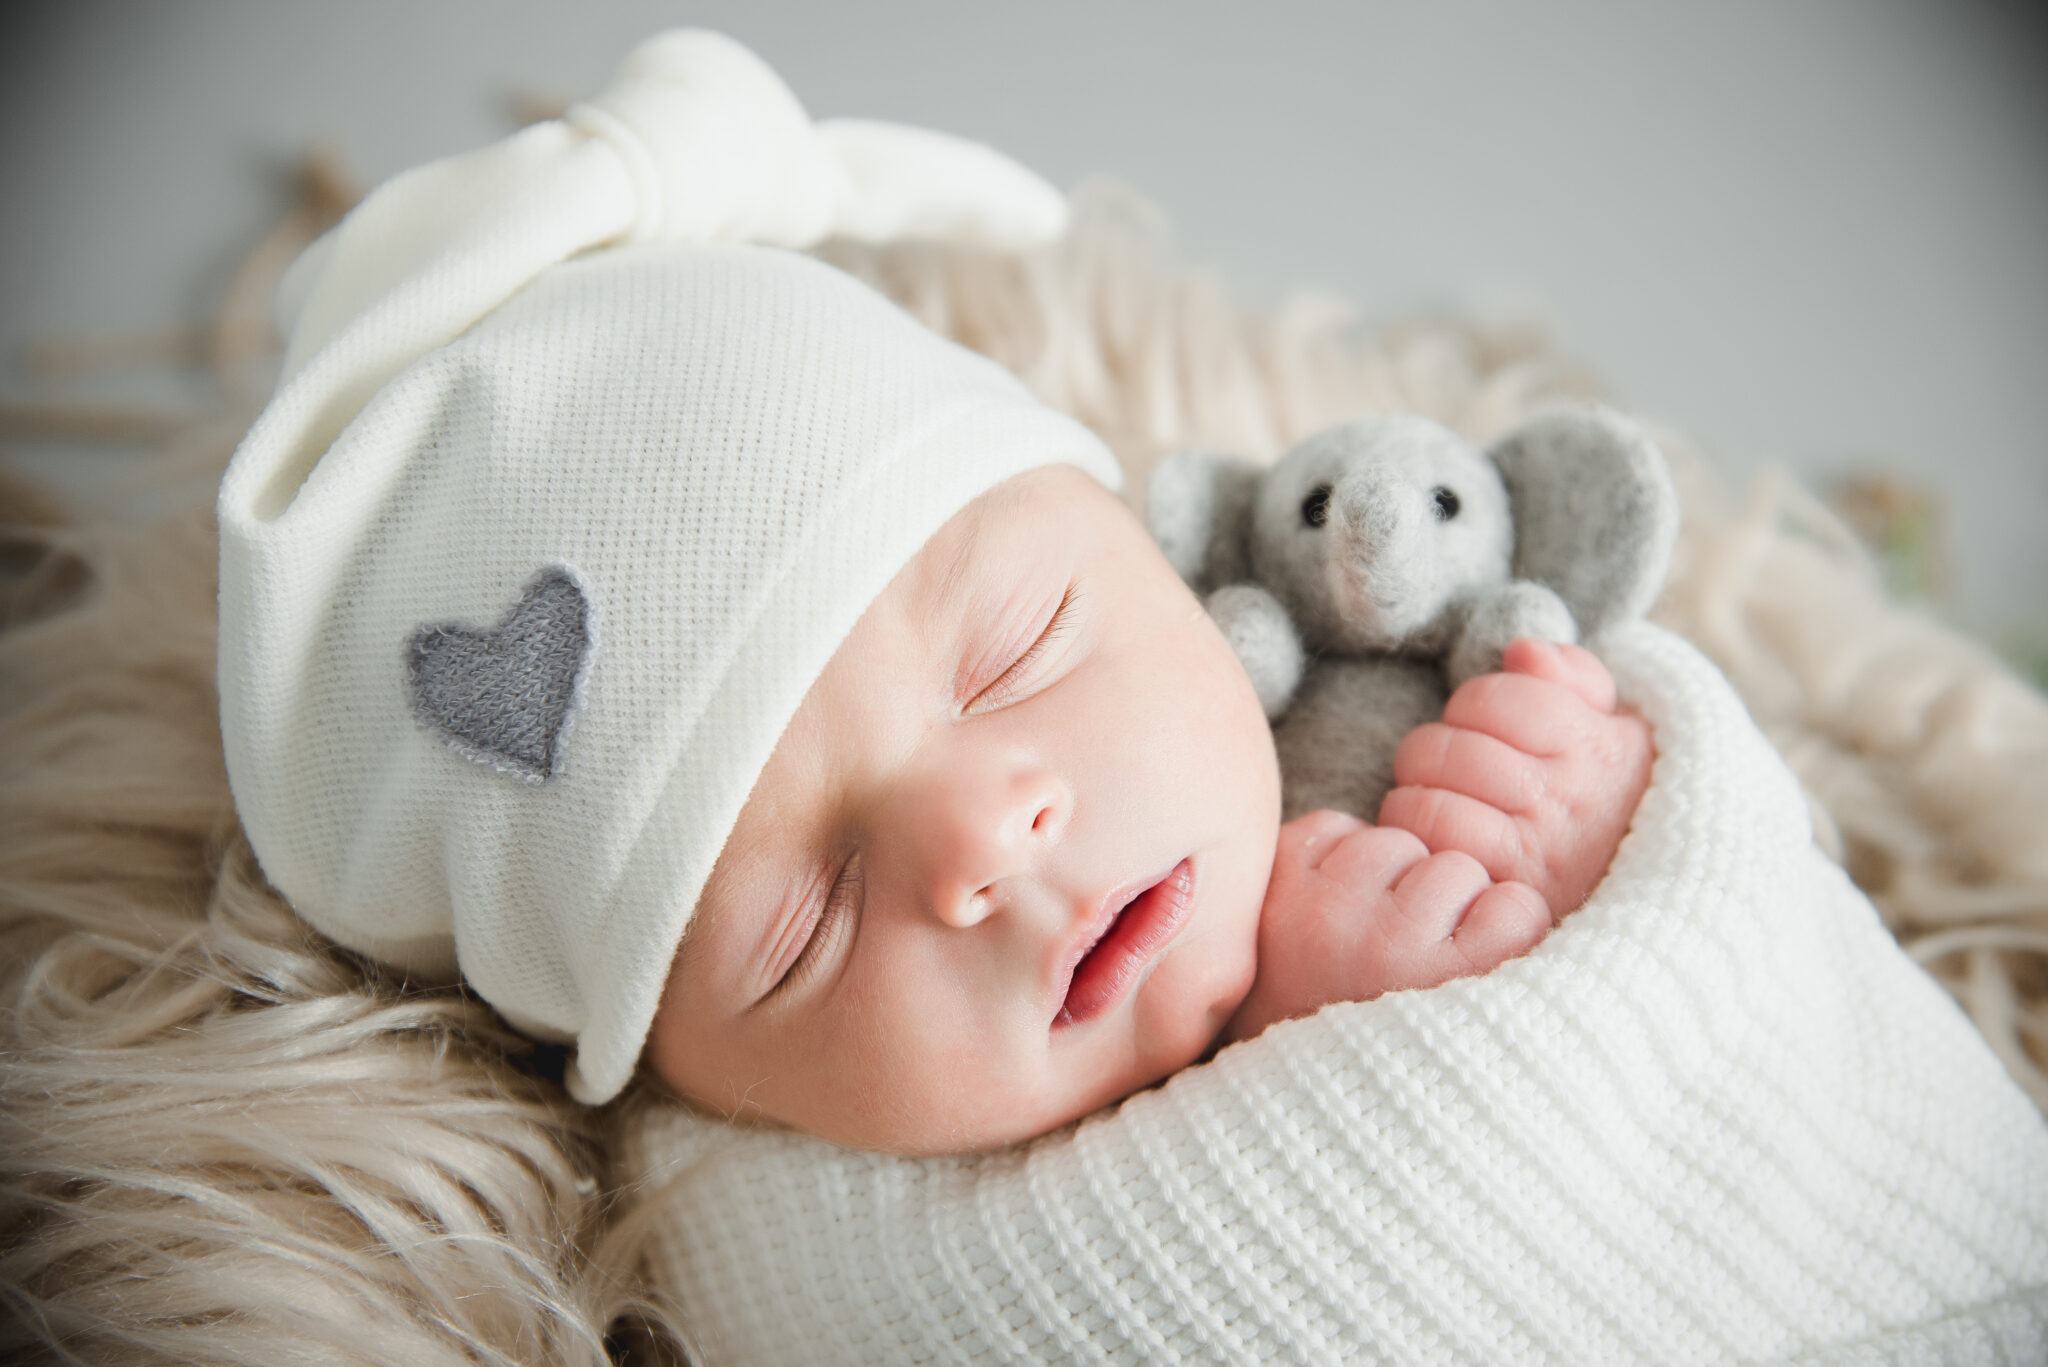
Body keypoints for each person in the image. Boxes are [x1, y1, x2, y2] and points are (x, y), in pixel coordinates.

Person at [214, 29, 1648, 1162]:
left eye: (1023, 651)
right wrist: (1349, 1069)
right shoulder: (774, 1219)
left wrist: (1613, 835)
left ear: (1151, 545)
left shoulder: (1386, 646)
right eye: (805, 932)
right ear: (695, 1089)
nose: (980, 839)